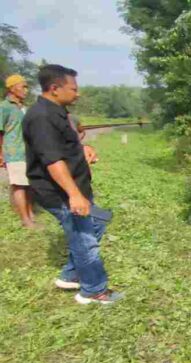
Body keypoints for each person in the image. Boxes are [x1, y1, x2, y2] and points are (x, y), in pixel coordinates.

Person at [22, 64, 123, 305]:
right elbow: (53, 161)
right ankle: (94, 290)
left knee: (97, 220)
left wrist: (85, 149)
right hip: (62, 193)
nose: (78, 94)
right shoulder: (41, 117)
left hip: (77, 188)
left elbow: (65, 146)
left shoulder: (58, 112)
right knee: (85, 241)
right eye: (73, 89)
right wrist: (74, 195)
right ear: (54, 88)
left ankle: (71, 274)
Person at [1, 74, 35, 227]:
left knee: (28, 184)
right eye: (23, 86)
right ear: (12, 88)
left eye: (26, 87)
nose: (26, 90)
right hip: (14, 151)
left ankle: (30, 213)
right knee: (19, 185)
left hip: (27, 152)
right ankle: (26, 220)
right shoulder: (4, 107)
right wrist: (1, 154)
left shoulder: (23, 108)